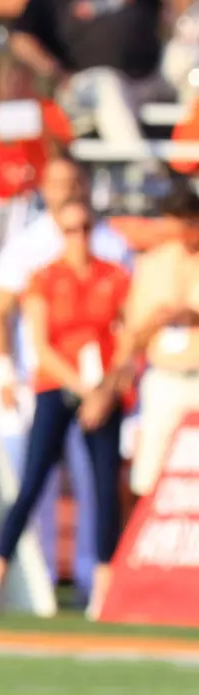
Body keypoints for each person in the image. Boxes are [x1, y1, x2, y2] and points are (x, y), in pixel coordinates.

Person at [0, 199, 129, 618]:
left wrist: (105, 389)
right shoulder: (45, 277)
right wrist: (83, 388)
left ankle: (102, 587)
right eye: (71, 230)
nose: (80, 239)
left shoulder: (114, 275)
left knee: (104, 487)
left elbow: (126, 337)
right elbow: (40, 346)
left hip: (104, 390)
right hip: (59, 384)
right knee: (33, 481)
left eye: (86, 229)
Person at [10, 0, 168, 154]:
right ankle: (141, 166)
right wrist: (53, 71)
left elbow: (163, 9)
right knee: (109, 85)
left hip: (149, 75)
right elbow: (20, 40)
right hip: (87, 85)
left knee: (187, 59)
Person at [0, 59, 75, 260]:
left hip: (39, 198)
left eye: (17, 78)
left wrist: (43, 131)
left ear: (29, 80)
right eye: (5, 79)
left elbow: (65, 156)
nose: (11, 85)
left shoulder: (47, 110)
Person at [125, 183, 199, 497]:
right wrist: (158, 321)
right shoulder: (152, 264)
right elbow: (134, 332)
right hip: (165, 378)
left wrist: (192, 317)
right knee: (150, 476)